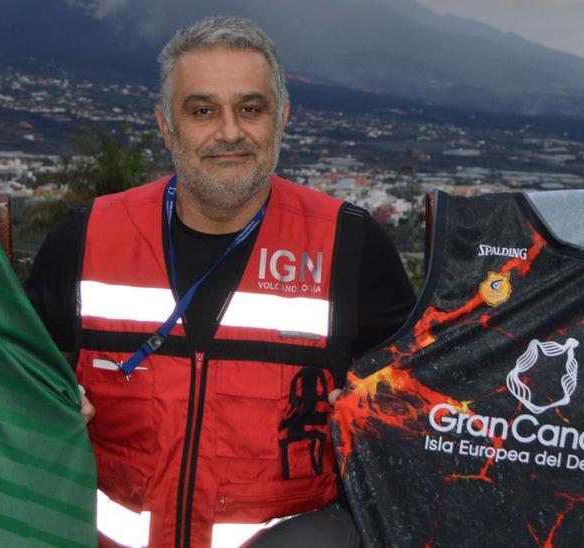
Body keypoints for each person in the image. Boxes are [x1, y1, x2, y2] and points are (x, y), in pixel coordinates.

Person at [25, 15, 415, 547]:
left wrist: (371, 412)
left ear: (281, 120)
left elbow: (416, 419)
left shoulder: (350, 246)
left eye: (250, 109)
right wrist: (45, 402)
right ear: (166, 126)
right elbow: (11, 389)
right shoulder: (86, 238)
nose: (229, 132)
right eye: (202, 110)